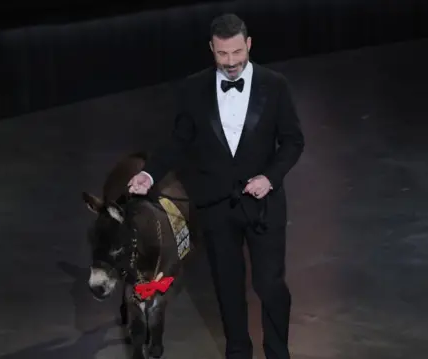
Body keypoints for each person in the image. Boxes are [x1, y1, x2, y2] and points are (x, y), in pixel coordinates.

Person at [127, 13, 304, 359]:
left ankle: (278, 354)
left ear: (248, 45)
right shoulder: (194, 88)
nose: (232, 62)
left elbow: (293, 141)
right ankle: (238, 353)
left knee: (270, 286)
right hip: (216, 207)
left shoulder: (275, 84)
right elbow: (179, 141)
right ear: (212, 49)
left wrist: (270, 177)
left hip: (263, 205)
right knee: (227, 288)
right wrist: (149, 173)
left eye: (237, 52)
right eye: (223, 54)